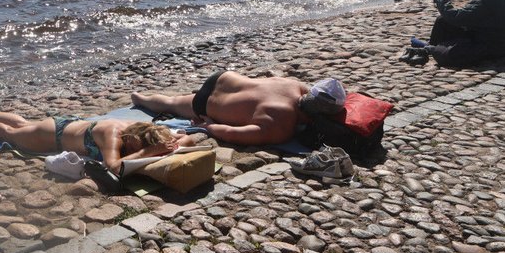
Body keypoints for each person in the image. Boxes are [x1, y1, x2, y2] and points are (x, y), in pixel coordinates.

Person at [0, 107, 186, 175]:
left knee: (24, 124)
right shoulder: (113, 136)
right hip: (52, 137)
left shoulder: (147, 129)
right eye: (138, 147)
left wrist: (167, 145)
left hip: (65, 125)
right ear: (135, 139)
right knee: (9, 134)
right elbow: (113, 167)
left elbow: (186, 138)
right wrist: (148, 153)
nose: (134, 151)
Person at [130, 74, 345, 146]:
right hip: (208, 103)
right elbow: (233, 134)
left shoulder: (293, 84)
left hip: (225, 78)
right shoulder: (281, 125)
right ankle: (141, 100)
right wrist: (209, 126)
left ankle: (141, 97)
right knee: (171, 103)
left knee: (174, 100)